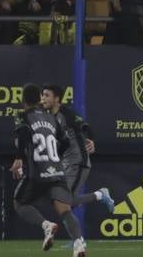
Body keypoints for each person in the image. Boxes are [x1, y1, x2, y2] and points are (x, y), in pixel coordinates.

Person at [10, 83, 85, 257]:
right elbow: (66, 142)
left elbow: (22, 134)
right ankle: (79, 244)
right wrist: (55, 157)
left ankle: (47, 226)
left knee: (19, 203)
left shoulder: (23, 116)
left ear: (23, 101)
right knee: (65, 211)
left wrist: (19, 158)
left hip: (38, 172)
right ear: (39, 99)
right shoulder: (52, 117)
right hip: (57, 171)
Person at [40, 83, 114, 214]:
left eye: (47, 95)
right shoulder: (49, 117)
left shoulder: (66, 113)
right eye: (42, 95)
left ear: (56, 99)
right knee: (58, 199)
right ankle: (100, 195)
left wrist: (90, 139)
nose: (43, 98)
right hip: (64, 163)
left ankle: (100, 195)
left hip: (78, 162)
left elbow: (85, 126)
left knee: (64, 201)